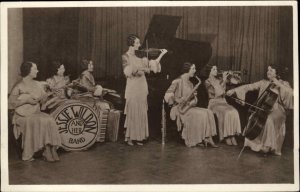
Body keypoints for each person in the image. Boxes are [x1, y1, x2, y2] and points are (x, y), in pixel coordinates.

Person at [226, 65, 293, 156]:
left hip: (278, 109)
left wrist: (279, 84)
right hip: (264, 108)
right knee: (254, 116)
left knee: (268, 118)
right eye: (267, 70)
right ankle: (255, 145)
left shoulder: (283, 83)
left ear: (277, 73)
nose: (268, 72)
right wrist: (234, 90)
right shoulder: (263, 82)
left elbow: (292, 93)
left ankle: (267, 146)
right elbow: (249, 86)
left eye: (271, 70)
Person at [8, 61, 62, 162]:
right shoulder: (19, 85)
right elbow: (10, 104)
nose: (38, 70)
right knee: (40, 121)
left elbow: (42, 102)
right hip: (22, 116)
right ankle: (45, 149)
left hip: (35, 113)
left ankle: (51, 148)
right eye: (35, 69)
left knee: (50, 120)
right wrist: (26, 100)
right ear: (28, 71)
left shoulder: (38, 84)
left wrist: (48, 94)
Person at [122, 34, 167, 146]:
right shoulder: (125, 56)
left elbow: (153, 66)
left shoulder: (141, 57)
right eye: (137, 43)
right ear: (131, 44)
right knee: (133, 111)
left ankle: (139, 137)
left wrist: (162, 54)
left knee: (141, 111)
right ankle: (130, 138)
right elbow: (128, 72)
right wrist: (141, 69)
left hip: (142, 87)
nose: (140, 45)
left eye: (139, 42)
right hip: (133, 87)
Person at [164, 62, 218, 148]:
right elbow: (167, 95)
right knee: (202, 114)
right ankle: (199, 139)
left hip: (188, 106)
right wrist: (178, 100)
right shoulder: (177, 81)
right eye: (193, 69)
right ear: (187, 70)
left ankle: (207, 138)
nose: (195, 70)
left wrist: (194, 98)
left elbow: (192, 99)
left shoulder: (190, 83)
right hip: (178, 108)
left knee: (208, 112)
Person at [205, 65, 241, 146]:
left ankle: (232, 135)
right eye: (213, 69)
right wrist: (224, 81)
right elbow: (215, 93)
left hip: (223, 102)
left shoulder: (219, 80)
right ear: (209, 71)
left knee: (234, 111)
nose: (216, 71)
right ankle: (226, 136)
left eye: (216, 69)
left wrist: (232, 75)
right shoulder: (207, 82)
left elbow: (236, 82)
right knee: (227, 112)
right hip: (214, 103)